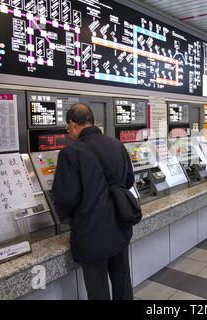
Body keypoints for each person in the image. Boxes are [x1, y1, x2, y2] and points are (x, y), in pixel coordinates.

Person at [52, 103, 135, 300]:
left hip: (91, 234)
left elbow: (66, 198)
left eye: (67, 128)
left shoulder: (70, 153)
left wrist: (64, 217)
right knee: (122, 286)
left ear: (73, 124)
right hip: (119, 227)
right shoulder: (117, 144)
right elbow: (129, 181)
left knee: (98, 292)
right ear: (92, 121)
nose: (69, 132)